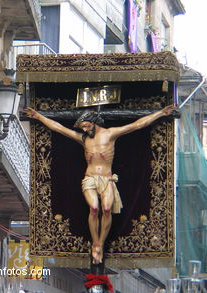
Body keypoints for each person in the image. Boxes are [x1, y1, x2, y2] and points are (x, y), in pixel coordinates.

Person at [24, 105, 177, 264]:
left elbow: (138, 125)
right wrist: (38, 116)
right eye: (82, 127)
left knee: (106, 209)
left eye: (85, 125)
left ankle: (100, 244)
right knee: (94, 208)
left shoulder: (110, 134)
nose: (83, 129)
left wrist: (161, 113)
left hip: (107, 179)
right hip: (90, 178)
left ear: (93, 122)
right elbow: (59, 128)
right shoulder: (84, 139)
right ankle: (95, 242)